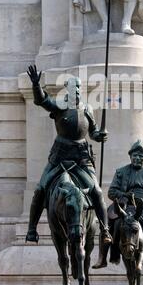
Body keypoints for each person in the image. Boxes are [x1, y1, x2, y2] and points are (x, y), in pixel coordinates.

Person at [25, 65, 112, 256]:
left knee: (96, 190)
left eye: (79, 88)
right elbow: (41, 100)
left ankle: (105, 230)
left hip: (81, 158)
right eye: (74, 89)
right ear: (67, 90)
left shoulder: (87, 109)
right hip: (60, 157)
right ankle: (32, 229)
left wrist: (100, 136)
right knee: (40, 189)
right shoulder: (59, 106)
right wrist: (36, 85)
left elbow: (93, 132)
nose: (77, 92)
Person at [93, 140, 143, 272]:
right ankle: (102, 258)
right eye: (135, 155)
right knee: (106, 225)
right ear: (130, 156)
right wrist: (124, 195)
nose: (137, 158)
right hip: (125, 206)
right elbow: (111, 192)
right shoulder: (121, 172)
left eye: (141, 155)